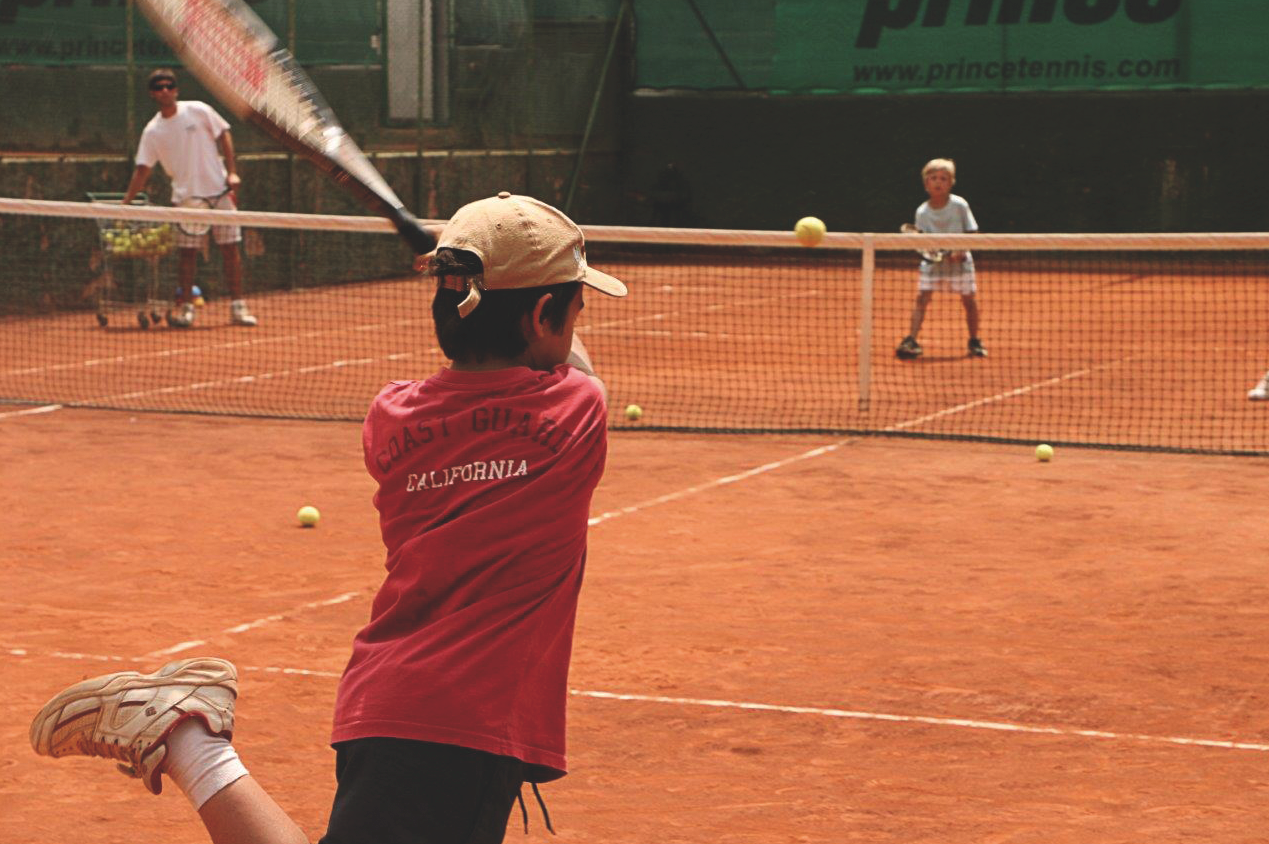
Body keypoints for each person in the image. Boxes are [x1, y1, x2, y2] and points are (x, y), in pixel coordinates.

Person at [29, 192, 629, 844]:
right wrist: (497, 295)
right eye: (574, 308)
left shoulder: (392, 415)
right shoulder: (576, 409)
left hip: (391, 698)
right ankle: (184, 737)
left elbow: (524, 356)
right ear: (542, 314)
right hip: (461, 717)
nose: (575, 323)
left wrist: (479, 290)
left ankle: (193, 747)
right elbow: (570, 366)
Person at [122, 68, 257, 329]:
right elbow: (142, 170)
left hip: (220, 192)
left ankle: (238, 307)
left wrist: (232, 172)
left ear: (176, 90)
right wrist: (125, 204)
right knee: (187, 255)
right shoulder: (152, 131)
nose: (165, 91)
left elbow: (224, 133)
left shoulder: (198, 110)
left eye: (169, 86)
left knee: (230, 250)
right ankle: (186, 309)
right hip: (187, 200)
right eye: (159, 87)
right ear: (152, 94)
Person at [895, 158, 984, 360]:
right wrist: (934, 254)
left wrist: (960, 251)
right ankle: (911, 339)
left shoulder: (960, 205)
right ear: (926, 183)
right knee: (921, 299)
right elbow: (922, 242)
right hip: (933, 267)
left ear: (951, 183)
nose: (938, 182)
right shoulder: (922, 212)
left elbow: (973, 233)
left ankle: (974, 340)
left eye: (943, 178)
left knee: (969, 301)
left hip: (961, 266)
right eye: (933, 178)